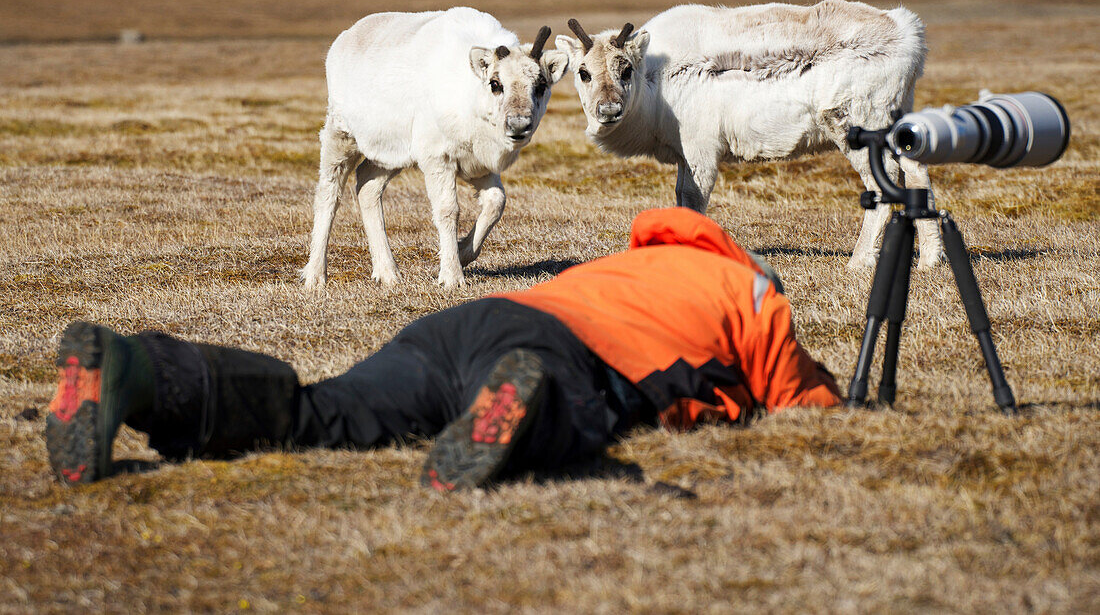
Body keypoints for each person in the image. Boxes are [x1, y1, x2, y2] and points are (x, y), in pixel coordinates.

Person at [44, 207, 842, 491]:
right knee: (567, 408)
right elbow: (803, 404)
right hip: (554, 350)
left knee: (324, 411)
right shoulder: (752, 291)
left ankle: (136, 369)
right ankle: (517, 402)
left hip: (463, 323)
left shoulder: (626, 260)